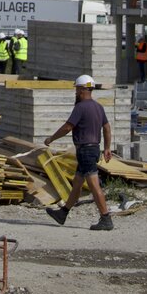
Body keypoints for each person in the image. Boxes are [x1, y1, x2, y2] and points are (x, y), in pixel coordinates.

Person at [45, 74, 114, 231]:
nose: (76, 92)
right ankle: (63, 213)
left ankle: (106, 218)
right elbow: (107, 128)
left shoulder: (81, 107)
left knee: (94, 185)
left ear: (83, 90)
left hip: (85, 151)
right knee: (77, 184)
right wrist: (107, 148)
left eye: (77, 89)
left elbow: (68, 127)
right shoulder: (98, 107)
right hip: (93, 149)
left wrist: (51, 138)